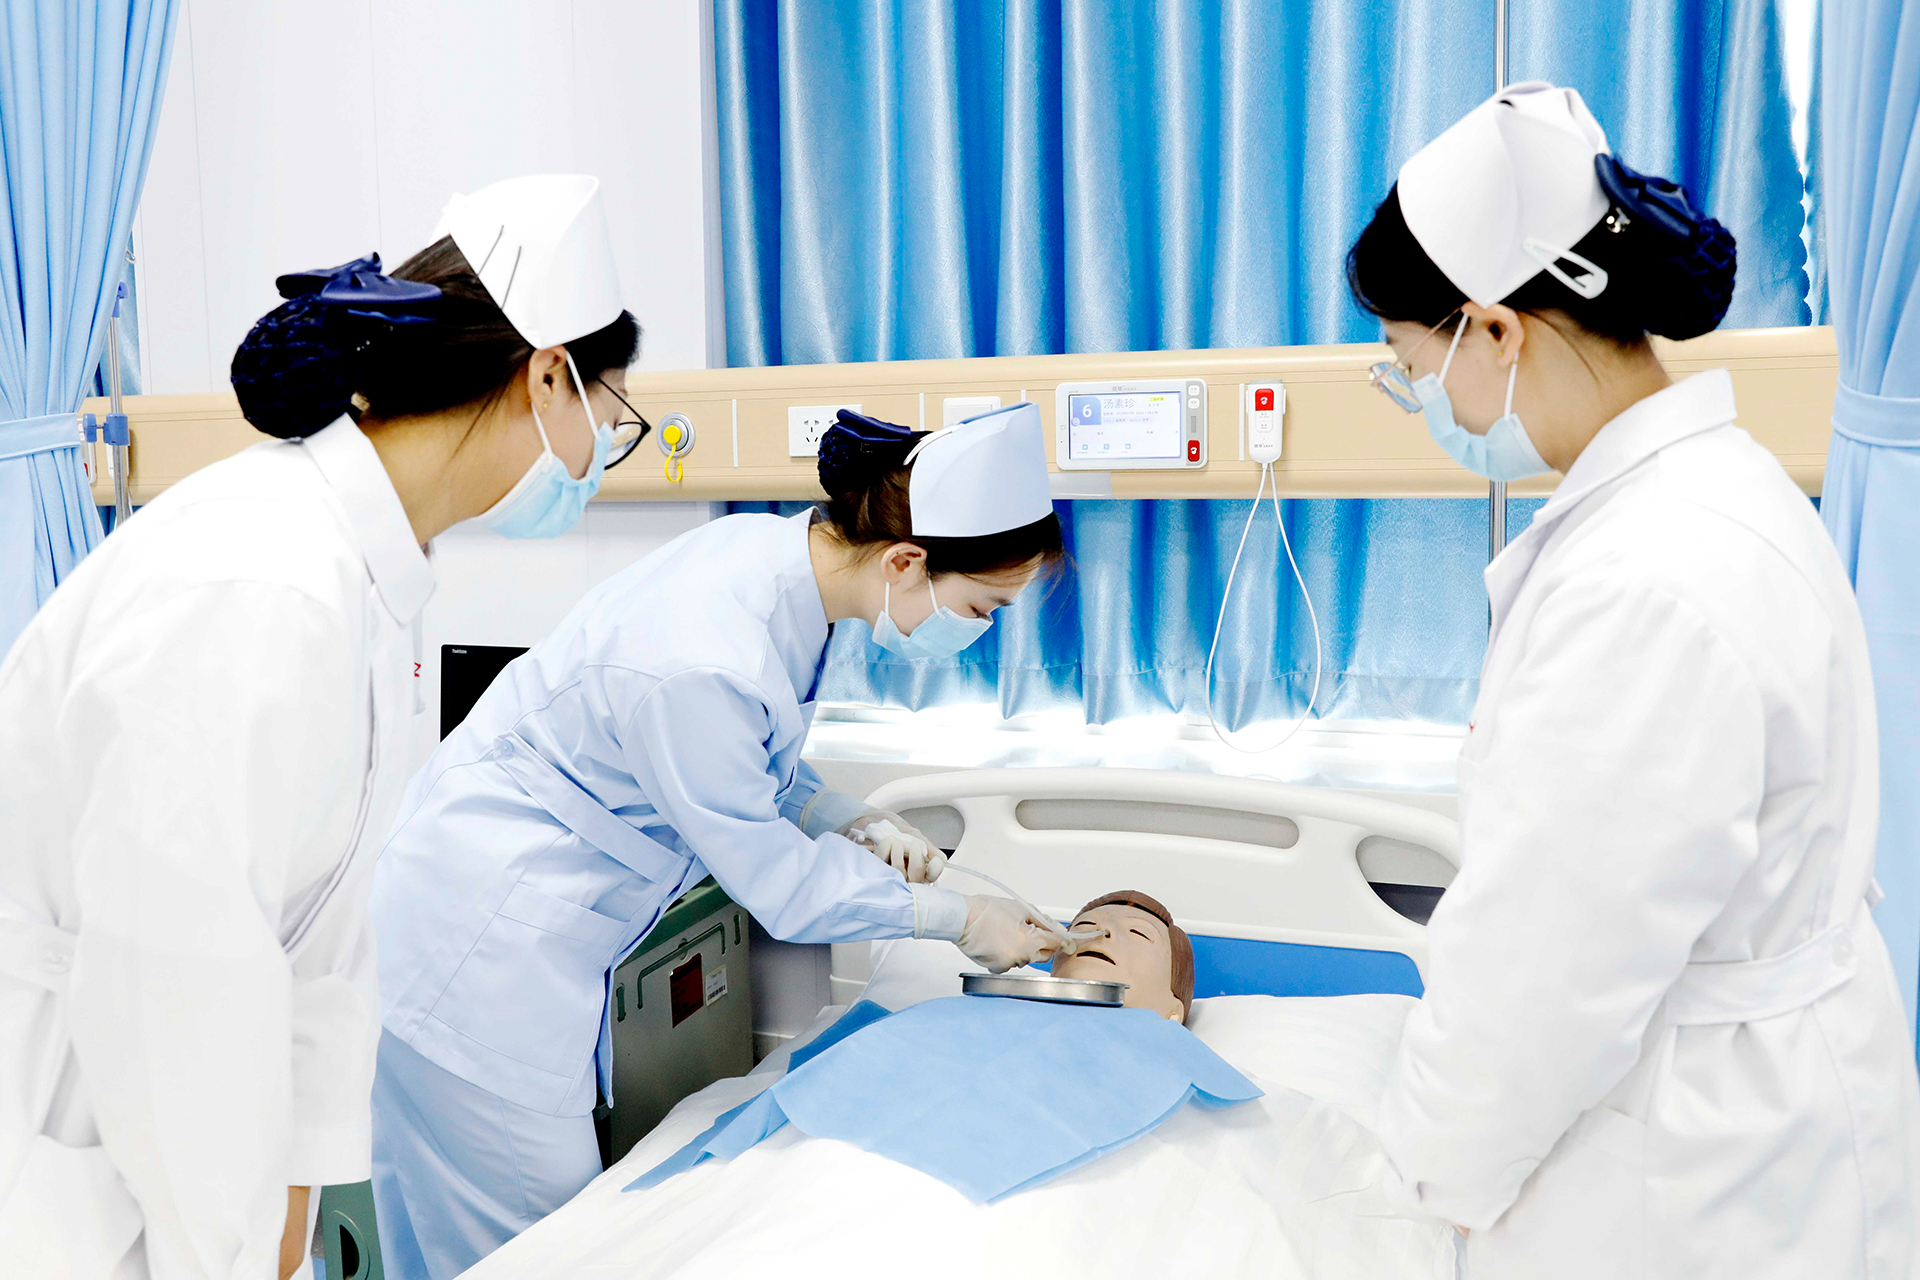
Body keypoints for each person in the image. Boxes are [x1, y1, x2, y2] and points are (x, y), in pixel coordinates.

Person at [0, 173, 644, 1279]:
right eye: (613, 414)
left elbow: (324, 923)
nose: (602, 449)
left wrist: (304, 1173)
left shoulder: (368, 569)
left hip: (184, 1123)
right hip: (80, 1113)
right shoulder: (260, 584)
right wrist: (232, 1244)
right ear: (548, 376)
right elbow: (172, 972)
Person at [1346, 82, 1920, 1275]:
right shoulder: (1725, 489)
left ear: (1495, 331)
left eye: (1412, 363)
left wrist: (1429, 1177)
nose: (1425, 402)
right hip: (1765, 1120)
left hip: (1698, 1170)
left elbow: (1540, 980)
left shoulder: (1643, 583)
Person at [368, 401, 1073, 1278]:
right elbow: (779, 884)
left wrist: (846, 818)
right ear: (905, 560)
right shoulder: (703, 652)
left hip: (510, 928)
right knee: (534, 1247)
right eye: (982, 607)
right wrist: (956, 918)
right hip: (477, 949)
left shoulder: (778, 572)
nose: (982, 630)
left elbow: (747, 764)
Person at [628, 889, 1234, 1204]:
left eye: (1137, 936)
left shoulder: (1160, 1049)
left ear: (1174, 1011)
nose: (1103, 935)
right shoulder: (955, 1007)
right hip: (831, 1165)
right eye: (1087, 928)